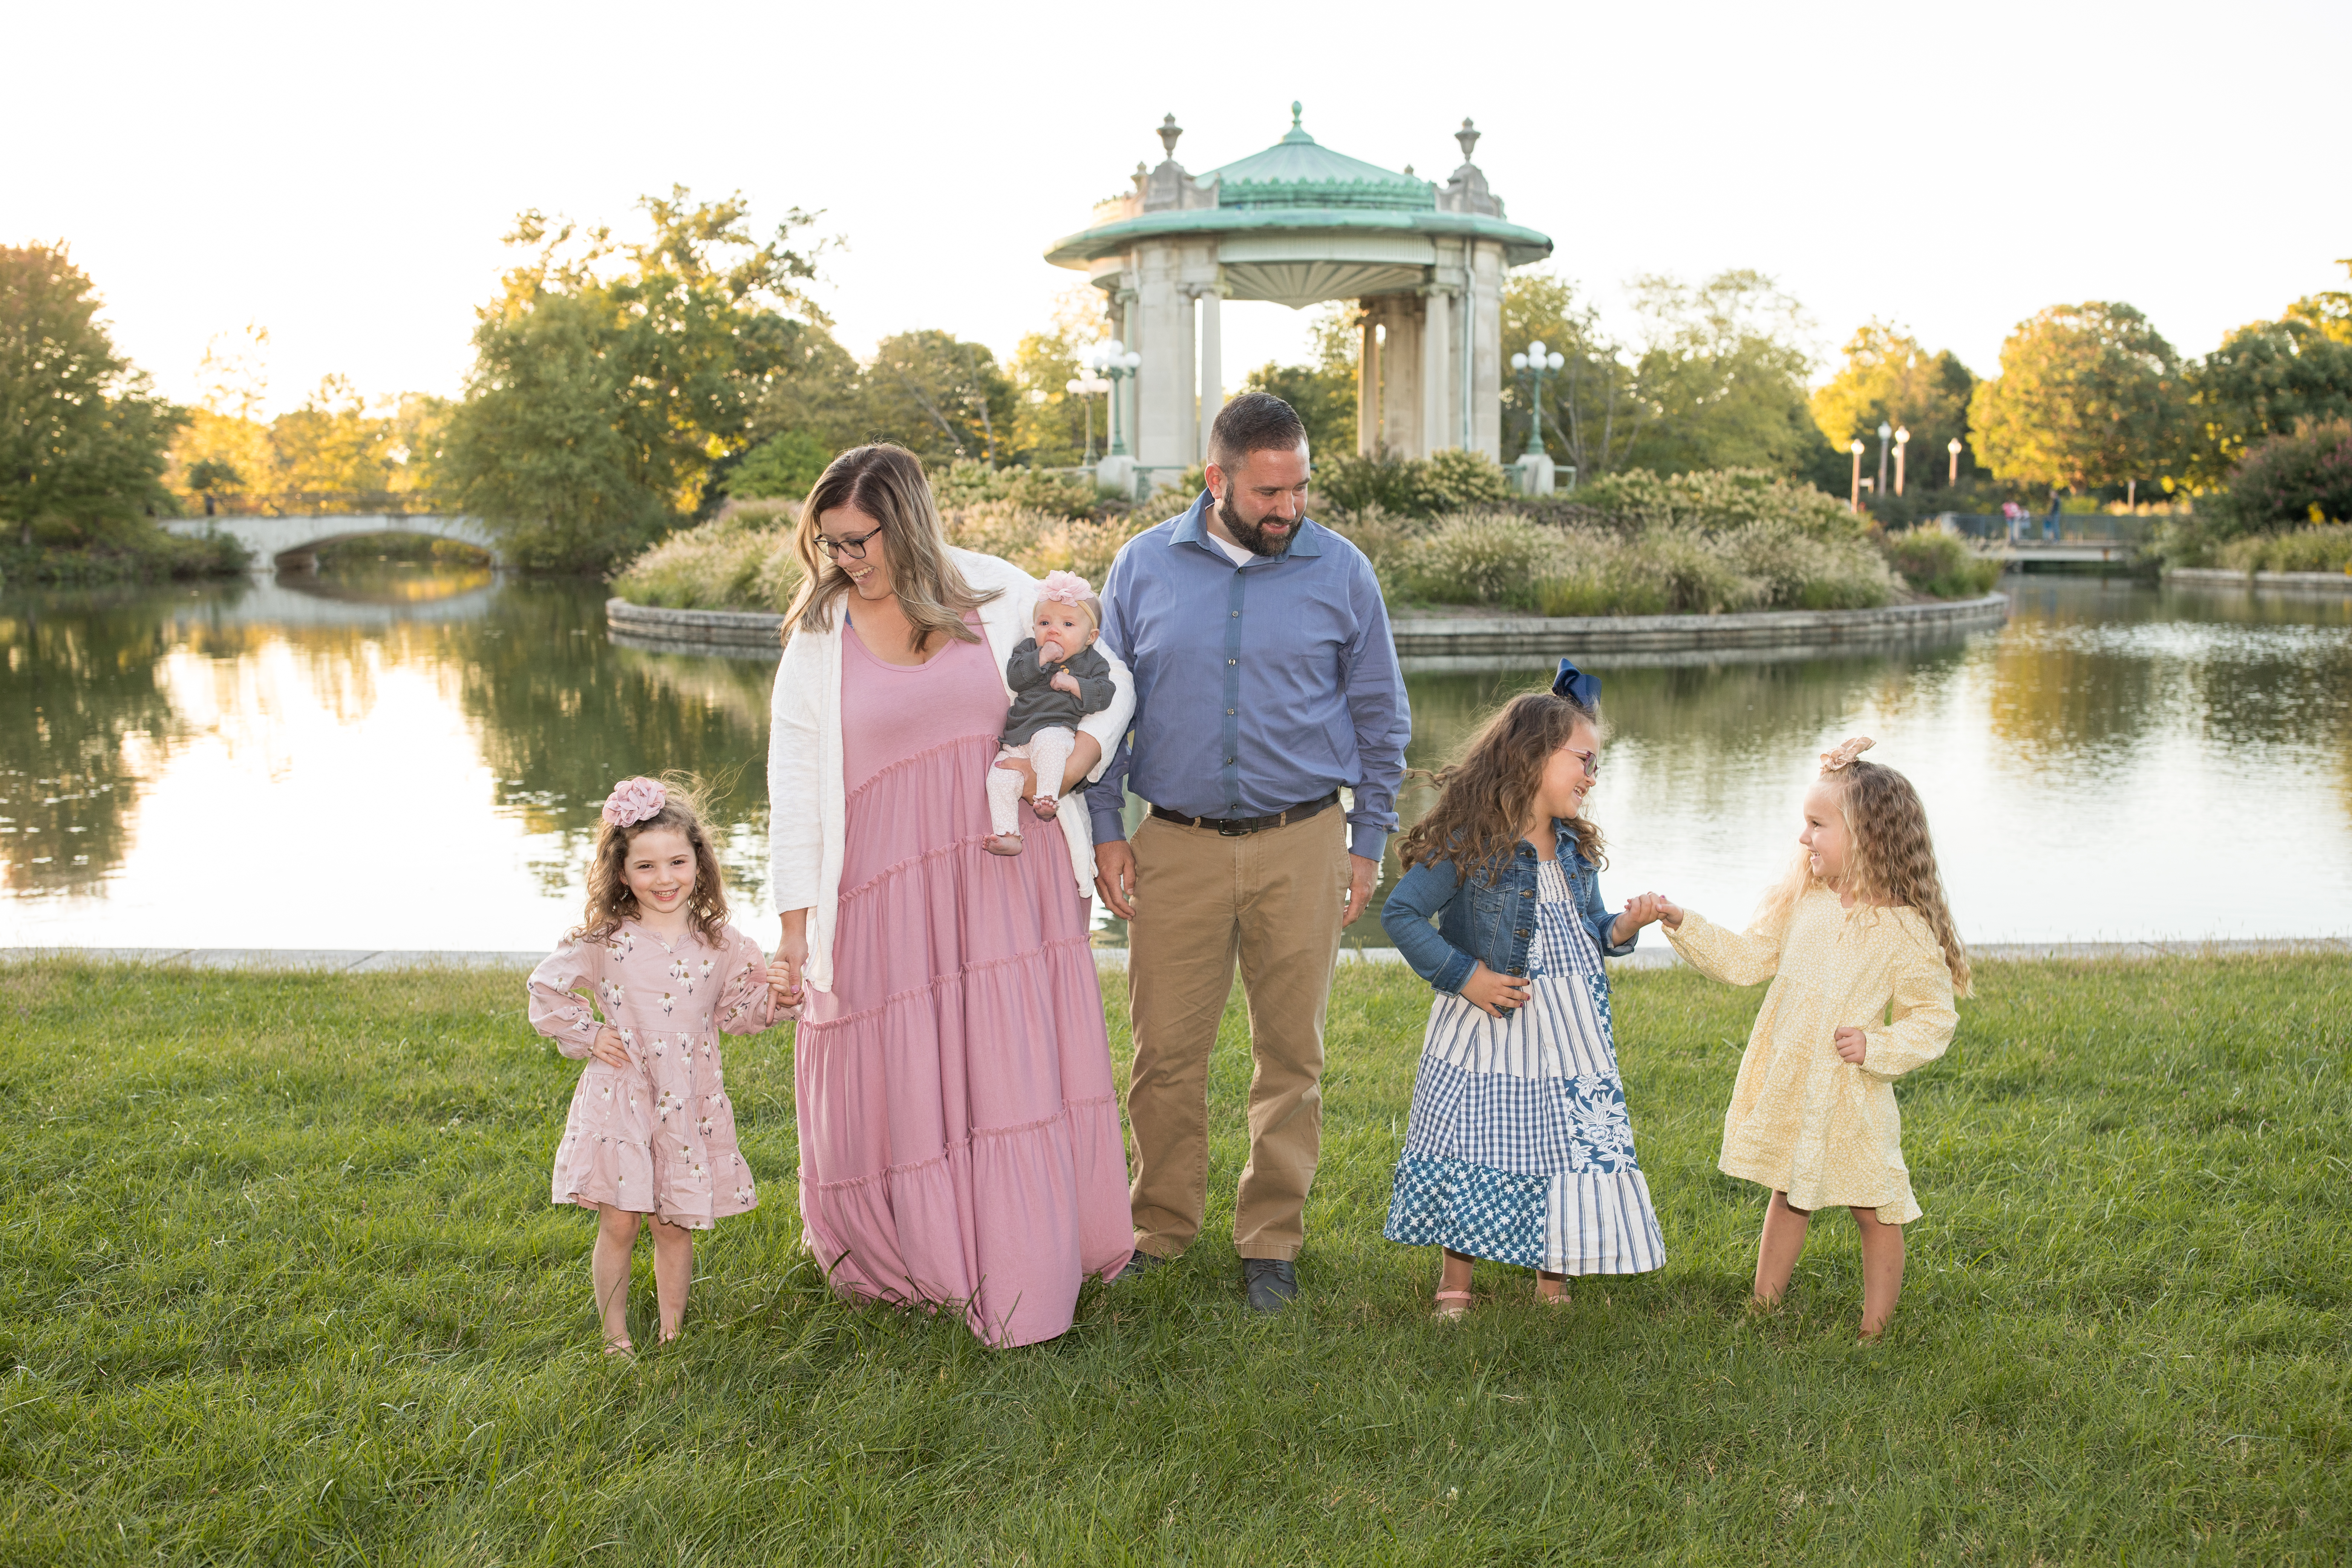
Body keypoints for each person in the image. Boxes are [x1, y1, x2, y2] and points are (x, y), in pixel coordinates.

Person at [766, 444, 1136, 1349]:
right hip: (884, 886)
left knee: (1006, 1069)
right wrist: (792, 934)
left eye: (858, 540)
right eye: (830, 543)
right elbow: (797, 786)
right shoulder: (819, 634)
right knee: (902, 1068)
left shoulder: (999, 593)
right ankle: (914, 1256)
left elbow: (1111, 681)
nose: (844, 559)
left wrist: (1079, 758)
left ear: (905, 522)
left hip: (1007, 871)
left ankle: (1023, 1261)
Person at [1088, 391, 1411, 1313]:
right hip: (1175, 845)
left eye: (1300, 487)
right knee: (1163, 1054)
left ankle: (1270, 1239)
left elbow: (1380, 717)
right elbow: (1105, 709)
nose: (1288, 509)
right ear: (1215, 479)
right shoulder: (1142, 566)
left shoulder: (1342, 572)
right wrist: (1108, 828)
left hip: (1303, 841)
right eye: (1269, 492)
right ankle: (1159, 1226)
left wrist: (1366, 840)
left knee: (1291, 1057)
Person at [1652, 737, 1969, 1340]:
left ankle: (1875, 1332)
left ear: (1867, 836)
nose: (1804, 838)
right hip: (1797, 1080)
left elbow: (1934, 1016)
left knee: (1876, 1208)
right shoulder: (1805, 903)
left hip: (1854, 1094)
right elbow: (1747, 960)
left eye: (1817, 825)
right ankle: (1763, 1307)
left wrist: (1878, 1047)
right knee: (1790, 1191)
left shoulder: (1903, 927)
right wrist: (1682, 921)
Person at [1379, 665, 1670, 1318]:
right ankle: (1457, 1280)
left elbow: (1592, 930)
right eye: (1584, 761)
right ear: (1533, 755)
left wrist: (1626, 925)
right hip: (1490, 1022)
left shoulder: (1574, 849)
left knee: (1563, 1140)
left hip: (1570, 1030)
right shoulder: (1470, 840)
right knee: (1476, 1139)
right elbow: (1400, 915)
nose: (1592, 778)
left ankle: (1555, 1273)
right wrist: (1466, 976)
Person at [526, 776, 795, 1355]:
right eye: (645, 867)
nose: (664, 878)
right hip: (622, 1095)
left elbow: (740, 1011)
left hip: (686, 1098)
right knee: (620, 1221)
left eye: (677, 862)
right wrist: (592, 1032)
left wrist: (778, 998)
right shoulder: (606, 939)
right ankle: (614, 1335)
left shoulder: (723, 946)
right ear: (622, 873)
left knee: (673, 1222)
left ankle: (673, 1332)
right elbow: (545, 989)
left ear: (699, 862)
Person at [985, 570, 1115, 857]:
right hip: (1018, 737)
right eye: (1045, 623)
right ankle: (1008, 833)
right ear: (1034, 628)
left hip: (1058, 730)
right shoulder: (1029, 650)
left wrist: (1076, 685)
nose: (1053, 630)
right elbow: (1015, 678)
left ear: (1090, 637)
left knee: (1051, 743)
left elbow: (1106, 694)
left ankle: (1047, 796)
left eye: (1067, 624)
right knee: (999, 778)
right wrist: (1041, 658)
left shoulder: (1092, 663)